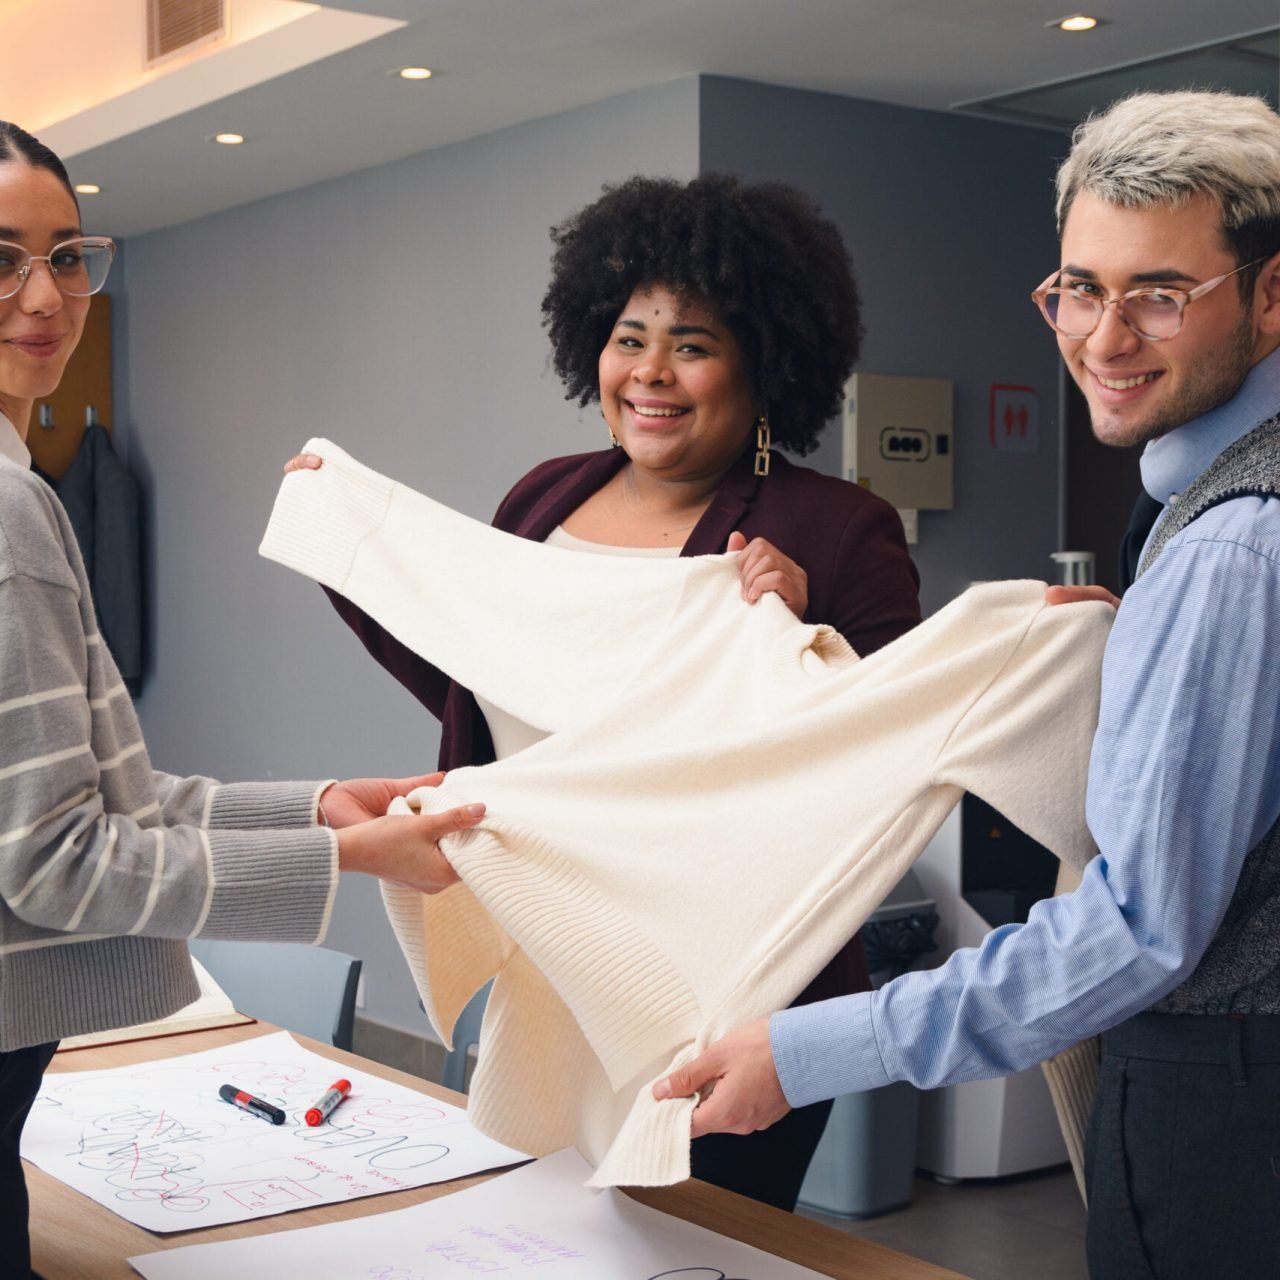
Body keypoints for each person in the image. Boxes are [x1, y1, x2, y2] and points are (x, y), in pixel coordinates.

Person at [654, 90, 1280, 1277]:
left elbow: (1143, 929)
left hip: (1230, 1107)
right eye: (1077, 288)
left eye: (1157, 291)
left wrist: (806, 1051)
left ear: (1268, 292)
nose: (1102, 337)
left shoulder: (1228, 545)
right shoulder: (1208, 527)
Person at [290, 172, 921, 1210]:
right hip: (550, 959)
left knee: (689, 1242)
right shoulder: (546, 493)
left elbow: (884, 766)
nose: (650, 372)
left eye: (694, 343)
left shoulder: (837, 527)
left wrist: (806, 635)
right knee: (540, 1236)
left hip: (724, 994)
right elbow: (478, 677)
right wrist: (355, 556)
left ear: (766, 361)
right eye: (630, 336)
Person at [0, 121, 486, 1278]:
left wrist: (315, 808)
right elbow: (57, 860)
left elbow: (110, 793)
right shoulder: (10, 519)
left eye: (67, 255)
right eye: (0, 256)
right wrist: (354, 859)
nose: (44, 293)